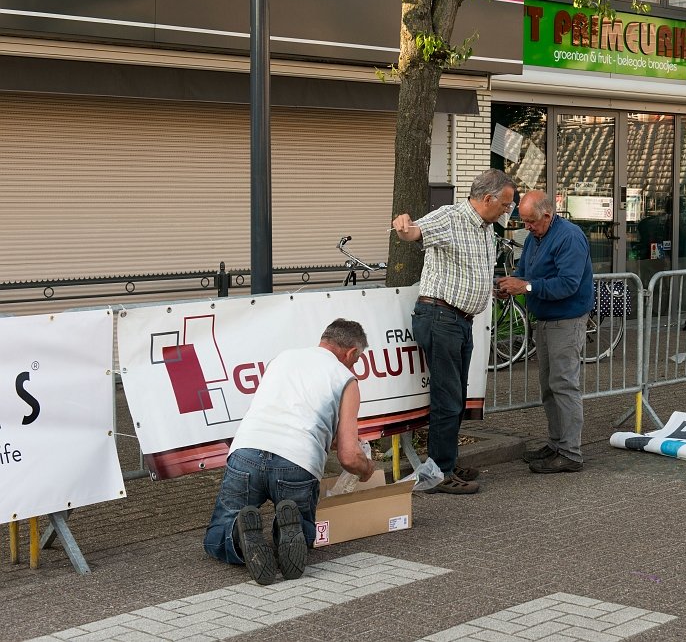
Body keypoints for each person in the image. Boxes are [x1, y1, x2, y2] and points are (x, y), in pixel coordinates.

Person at [203, 319, 375, 584]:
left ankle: (237, 537)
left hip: (247, 452)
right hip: (297, 462)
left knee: (217, 535)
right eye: (357, 359)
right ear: (351, 352)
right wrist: (366, 471)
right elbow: (350, 456)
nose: (354, 365)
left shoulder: (282, 358)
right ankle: (288, 529)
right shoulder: (346, 379)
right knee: (301, 525)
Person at [392, 168, 518, 494]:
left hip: (459, 320)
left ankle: (445, 462)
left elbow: (470, 273)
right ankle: (441, 472)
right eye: (505, 204)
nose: (508, 210)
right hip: (441, 317)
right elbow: (413, 233)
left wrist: (491, 289)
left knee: (455, 399)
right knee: (448, 399)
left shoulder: (485, 230)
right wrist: (404, 225)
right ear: (488, 198)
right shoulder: (450, 217)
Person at [497, 191, 594, 473]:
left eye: (530, 221)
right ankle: (557, 443)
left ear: (548, 216)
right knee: (550, 386)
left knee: (563, 384)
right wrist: (512, 285)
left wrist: (525, 287)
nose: (526, 226)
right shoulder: (534, 238)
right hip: (546, 317)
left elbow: (568, 284)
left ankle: (571, 453)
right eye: (524, 221)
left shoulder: (570, 237)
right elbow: (526, 272)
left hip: (567, 318)